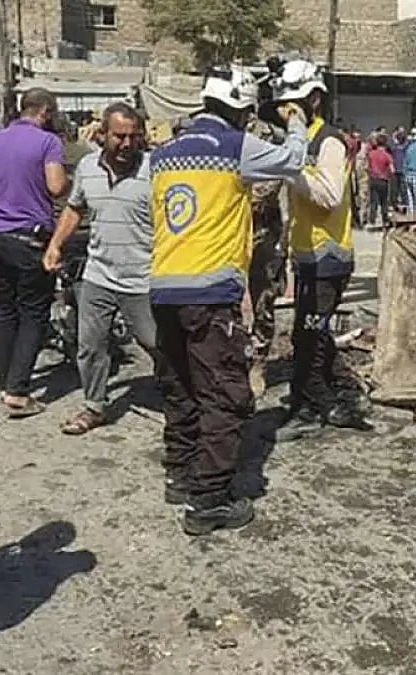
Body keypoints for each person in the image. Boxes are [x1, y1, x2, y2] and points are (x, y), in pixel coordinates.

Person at [148, 65, 308, 535]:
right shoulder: (233, 147)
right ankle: (209, 500)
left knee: (180, 385)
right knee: (225, 394)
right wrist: (295, 121)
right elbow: (293, 160)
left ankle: (180, 471)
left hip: (164, 286)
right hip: (208, 291)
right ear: (241, 110)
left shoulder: (163, 153)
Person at [43, 103, 159, 435]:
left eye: (133, 137)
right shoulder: (87, 167)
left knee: (154, 342)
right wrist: (55, 245)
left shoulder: (155, 170)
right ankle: (95, 406)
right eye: (119, 136)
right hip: (98, 275)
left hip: (143, 277)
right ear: (103, 134)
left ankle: (177, 392)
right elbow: (75, 208)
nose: (126, 144)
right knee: (90, 344)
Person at [271, 59, 369, 442]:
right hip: (307, 256)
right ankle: (346, 394)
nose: (285, 111)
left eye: (292, 103)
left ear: (312, 98)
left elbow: (327, 196)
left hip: (329, 258)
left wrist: (292, 167)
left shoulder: (327, 140)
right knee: (315, 331)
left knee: (307, 336)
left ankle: (310, 407)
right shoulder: (298, 140)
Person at [0, 87, 67, 418]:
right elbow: (55, 187)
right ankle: (19, 391)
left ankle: (5, 381)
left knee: (5, 311)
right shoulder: (48, 143)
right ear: (45, 112)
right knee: (34, 313)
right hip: (31, 238)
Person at [243, 117, 289, 397]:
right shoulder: (222, 135)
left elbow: (268, 187)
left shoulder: (272, 136)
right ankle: (234, 360)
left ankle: (258, 362)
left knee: (263, 301)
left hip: (262, 234)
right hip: (225, 232)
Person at [366, 134, 393, 227]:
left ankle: (372, 220)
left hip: (373, 179)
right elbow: (392, 169)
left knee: (373, 201)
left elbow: (367, 166)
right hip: (383, 180)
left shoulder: (371, 154)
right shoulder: (387, 155)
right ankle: (384, 220)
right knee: (384, 202)